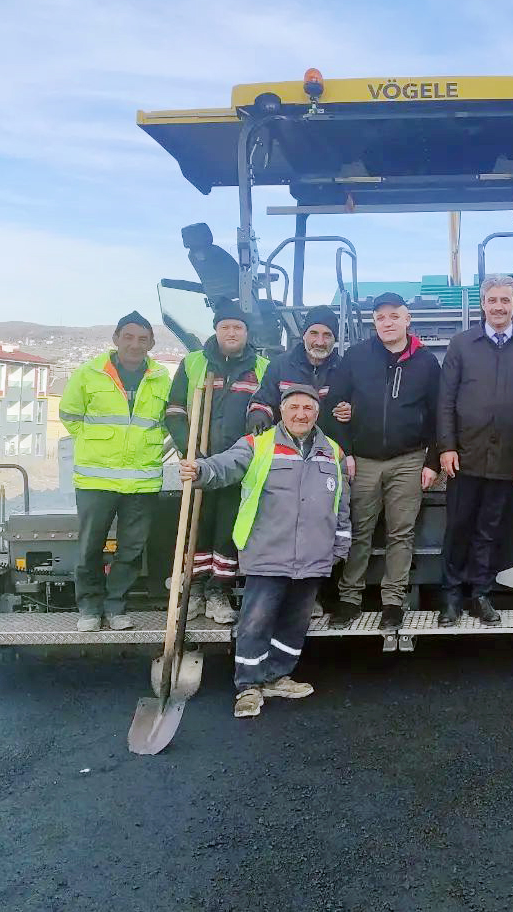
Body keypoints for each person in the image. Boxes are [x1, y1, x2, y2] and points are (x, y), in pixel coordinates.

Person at [179, 383, 351, 719]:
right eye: (294, 408)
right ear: (282, 411)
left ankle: (277, 676)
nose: (301, 414)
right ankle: (248, 686)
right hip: (268, 551)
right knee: (255, 622)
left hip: (313, 555)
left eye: (308, 408)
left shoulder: (333, 451)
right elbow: (225, 466)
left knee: (294, 622)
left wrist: (340, 543)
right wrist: (200, 470)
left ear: (317, 413)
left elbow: (341, 501)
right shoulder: (258, 445)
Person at [323, 292, 441, 647]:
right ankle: (350, 599)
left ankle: (393, 601)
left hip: (408, 460)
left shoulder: (426, 363)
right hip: (365, 460)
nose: (387, 323)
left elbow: (438, 414)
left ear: (407, 320)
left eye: (393, 316)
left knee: (401, 534)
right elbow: (333, 406)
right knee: (359, 531)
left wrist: (432, 461)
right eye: (380, 318)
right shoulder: (356, 357)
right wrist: (346, 451)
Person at [437, 276, 513, 626]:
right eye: (492, 300)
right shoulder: (462, 344)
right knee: (459, 527)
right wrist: (447, 447)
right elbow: (446, 401)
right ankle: (451, 597)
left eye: (505, 301)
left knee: (491, 529)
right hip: (465, 456)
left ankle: (480, 594)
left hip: (507, 457)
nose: (498, 307)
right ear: (483, 303)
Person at [60, 311, 172, 632]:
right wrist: (100, 444)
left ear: (151, 343)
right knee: (90, 547)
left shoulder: (162, 378)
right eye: (129, 337)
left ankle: (116, 606)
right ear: (116, 339)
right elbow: (70, 415)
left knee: (132, 550)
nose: (135, 344)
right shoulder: (89, 373)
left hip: (142, 481)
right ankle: (90, 609)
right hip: (96, 479)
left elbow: (167, 422)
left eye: (142, 339)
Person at [164, 306, 269, 625]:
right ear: (216, 330)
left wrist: (259, 420)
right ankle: (193, 589)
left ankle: (217, 591)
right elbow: (175, 410)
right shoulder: (194, 363)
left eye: (238, 327)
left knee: (229, 529)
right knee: (196, 526)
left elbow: (266, 404)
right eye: (226, 327)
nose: (232, 332)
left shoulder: (262, 367)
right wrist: (189, 448)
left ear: (247, 332)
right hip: (200, 460)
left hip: (239, 464)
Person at [250, 306, 343, 439]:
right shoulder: (280, 365)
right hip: (285, 448)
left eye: (327, 335)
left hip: (328, 450)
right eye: (314, 333)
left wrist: (352, 410)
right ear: (304, 335)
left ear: (335, 339)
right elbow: (263, 400)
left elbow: (355, 407)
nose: (320, 342)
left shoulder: (344, 369)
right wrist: (259, 414)